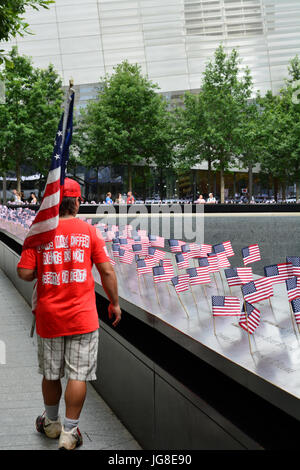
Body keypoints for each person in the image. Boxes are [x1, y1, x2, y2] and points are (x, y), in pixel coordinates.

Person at [17, 178, 121, 450]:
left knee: (51, 373)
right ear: (77, 202)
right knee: (78, 376)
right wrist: (114, 303)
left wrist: (47, 267)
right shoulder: (89, 232)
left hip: (49, 317)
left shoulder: (38, 232)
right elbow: (107, 271)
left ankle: (51, 424)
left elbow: (25, 273)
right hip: (82, 317)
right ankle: (70, 432)